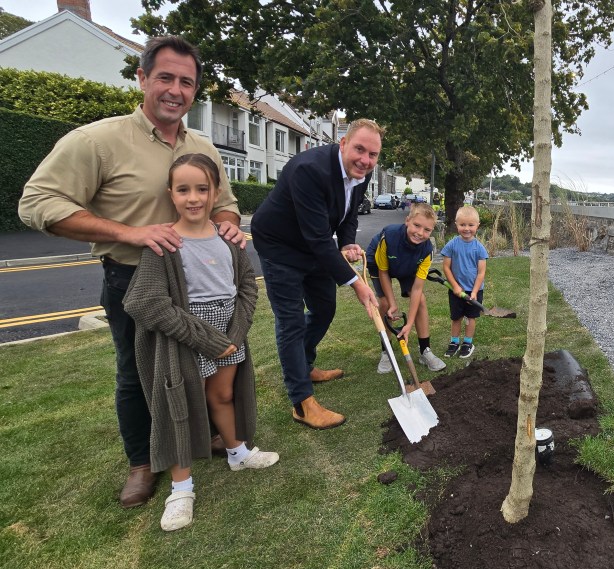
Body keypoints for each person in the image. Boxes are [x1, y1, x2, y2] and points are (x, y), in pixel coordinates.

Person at [18, 36, 245, 509]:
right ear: (142, 79)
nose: (175, 90)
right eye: (165, 77)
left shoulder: (203, 146)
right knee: (137, 374)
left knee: (205, 365)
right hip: (134, 280)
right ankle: (143, 463)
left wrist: (228, 231)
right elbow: (37, 204)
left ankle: (207, 437)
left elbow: (227, 208)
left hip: (202, 284)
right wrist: (130, 232)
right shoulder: (96, 140)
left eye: (186, 82)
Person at [123, 154, 278, 532]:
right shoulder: (164, 245)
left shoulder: (229, 241)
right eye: (183, 189)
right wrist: (207, 340)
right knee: (184, 407)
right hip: (187, 336)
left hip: (228, 333)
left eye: (202, 189)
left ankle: (237, 452)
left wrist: (235, 335)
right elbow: (143, 302)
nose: (193, 198)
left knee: (222, 396)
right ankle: (181, 488)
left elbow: (246, 288)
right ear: (170, 194)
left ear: (216, 193)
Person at [251, 120, 380, 430]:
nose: (365, 159)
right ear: (343, 143)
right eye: (359, 149)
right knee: (291, 321)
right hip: (280, 246)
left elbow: (348, 214)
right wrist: (357, 283)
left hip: (314, 245)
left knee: (324, 308)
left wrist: (348, 241)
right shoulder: (309, 170)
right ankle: (302, 402)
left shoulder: (362, 171)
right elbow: (319, 240)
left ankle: (304, 364)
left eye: (372, 154)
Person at [366, 203, 447, 373]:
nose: (420, 233)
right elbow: (384, 272)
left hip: (409, 264)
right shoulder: (389, 236)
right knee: (385, 304)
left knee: (421, 300)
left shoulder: (427, 250)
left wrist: (409, 324)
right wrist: (393, 302)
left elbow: (417, 289)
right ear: (407, 221)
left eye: (427, 230)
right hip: (380, 264)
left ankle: (425, 351)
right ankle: (386, 352)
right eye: (417, 225)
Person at [440, 205, 489, 358]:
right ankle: (454, 341)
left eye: (470, 225)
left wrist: (474, 292)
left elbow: (481, 273)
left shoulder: (479, 249)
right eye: (462, 225)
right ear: (456, 225)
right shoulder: (452, 245)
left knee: (470, 317)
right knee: (456, 317)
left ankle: (467, 342)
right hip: (456, 290)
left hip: (474, 291)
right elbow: (446, 268)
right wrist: (455, 286)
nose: (466, 228)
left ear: (477, 226)